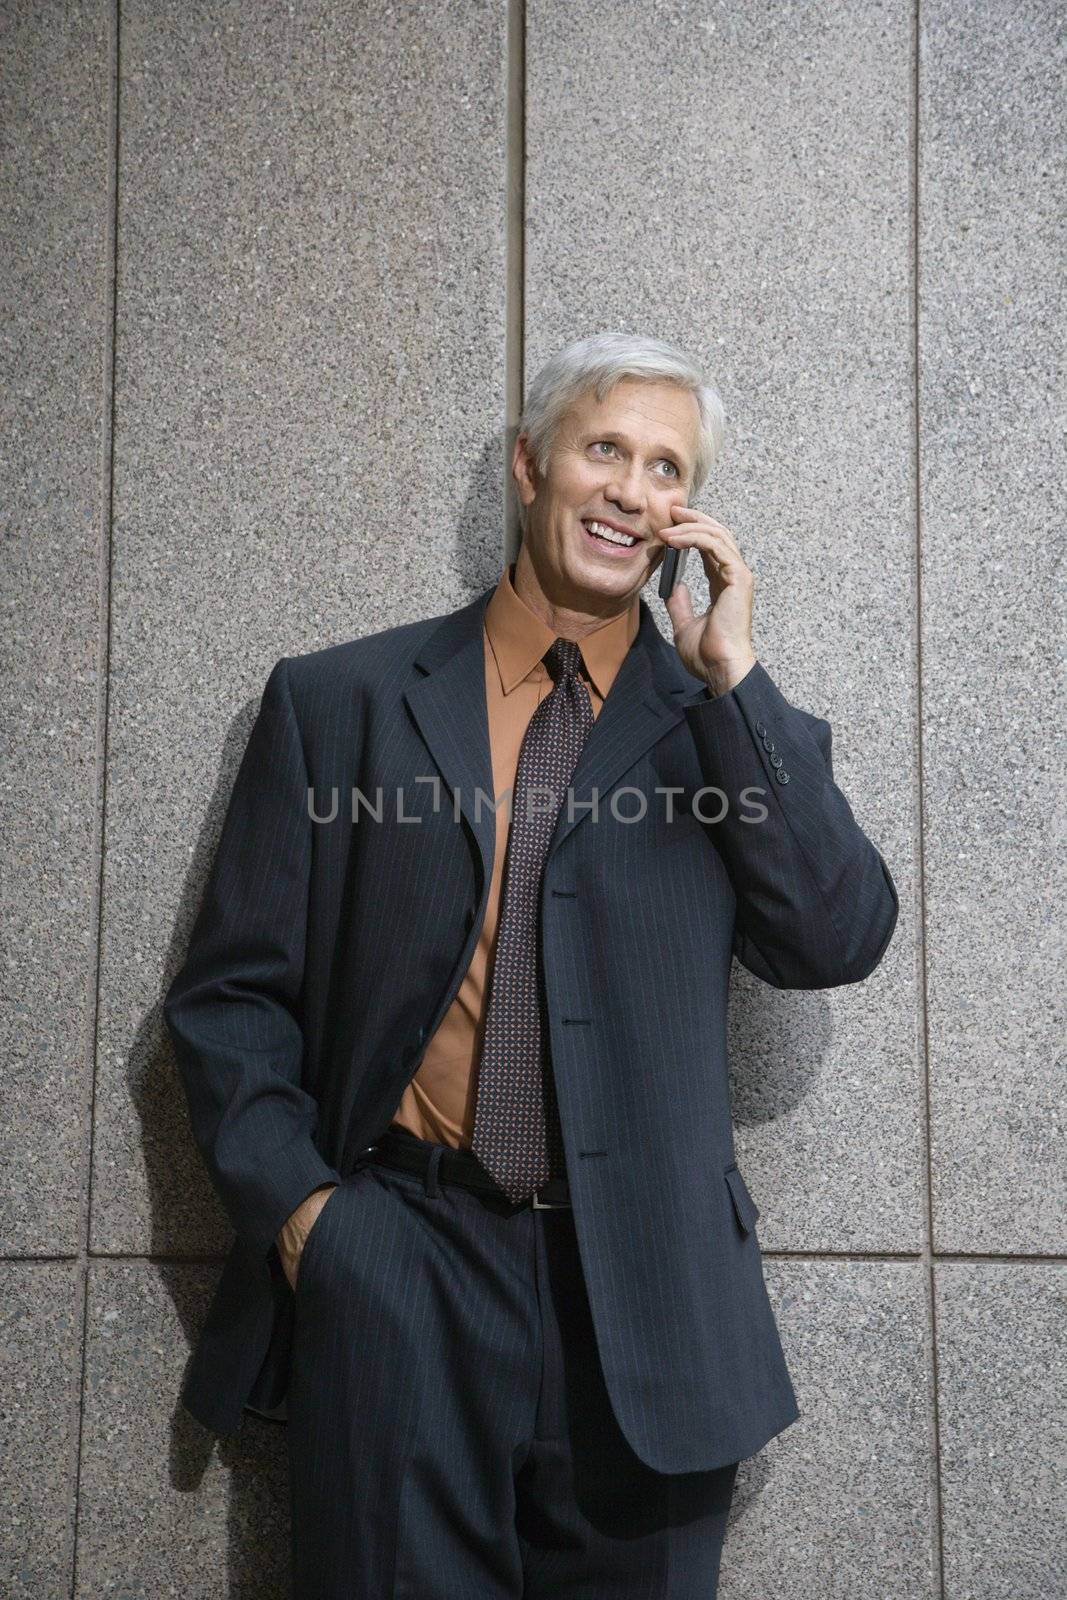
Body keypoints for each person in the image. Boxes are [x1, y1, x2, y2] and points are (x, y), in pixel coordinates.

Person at [164, 331, 899, 1598]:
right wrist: (314, 1227)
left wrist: (732, 677)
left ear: (685, 514)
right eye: (603, 447)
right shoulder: (337, 702)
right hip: (405, 1268)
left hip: (653, 1304)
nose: (628, 487)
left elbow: (832, 937)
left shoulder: (725, 729)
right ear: (528, 465)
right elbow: (229, 999)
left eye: (664, 466)